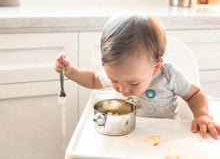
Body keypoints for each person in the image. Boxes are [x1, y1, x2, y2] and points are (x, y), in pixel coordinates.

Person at [54, 13, 220, 139]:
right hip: (127, 135)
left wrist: (202, 115)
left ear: (155, 67)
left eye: (134, 83)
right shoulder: (121, 72)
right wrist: (71, 72)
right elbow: (93, 80)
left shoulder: (169, 75)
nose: (123, 89)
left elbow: (195, 95)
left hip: (166, 135)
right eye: (114, 80)